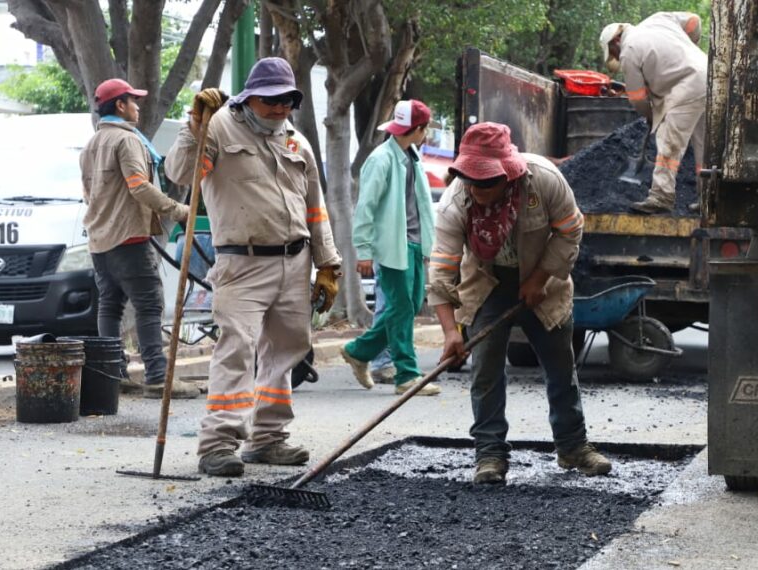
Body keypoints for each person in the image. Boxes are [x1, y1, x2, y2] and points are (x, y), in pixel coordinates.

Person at [165, 58, 342, 477]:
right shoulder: (218, 126)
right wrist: (194, 126)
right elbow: (180, 174)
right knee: (237, 350)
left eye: (288, 101)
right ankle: (218, 445)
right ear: (249, 98)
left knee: (283, 352)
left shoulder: (297, 141)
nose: (281, 109)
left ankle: (268, 440)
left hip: (294, 262)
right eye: (272, 101)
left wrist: (328, 264)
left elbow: (315, 209)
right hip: (241, 264)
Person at [428, 122, 612, 484]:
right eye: (471, 180)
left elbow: (570, 229)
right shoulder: (455, 203)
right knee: (485, 372)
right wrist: (451, 332)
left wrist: (540, 278)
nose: (477, 189)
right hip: (486, 284)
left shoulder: (543, 180)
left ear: (508, 174)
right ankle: (490, 454)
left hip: (544, 278)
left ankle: (573, 446)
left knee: (560, 367)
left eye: (486, 182)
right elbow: (442, 271)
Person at [78, 78, 198, 400]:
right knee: (148, 305)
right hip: (129, 239)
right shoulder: (127, 141)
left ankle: (113, 375)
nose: (138, 107)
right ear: (120, 105)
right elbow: (139, 187)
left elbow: (89, 195)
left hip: (100, 241)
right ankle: (158, 376)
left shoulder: (91, 145)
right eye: (134, 101)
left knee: (110, 307)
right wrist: (180, 210)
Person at [339, 99, 440, 396]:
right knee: (401, 309)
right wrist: (365, 251)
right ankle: (407, 375)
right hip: (394, 245)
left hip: (414, 244)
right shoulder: (382, 159)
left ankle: (358, 351)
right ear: (418, 129)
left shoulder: (411, 155)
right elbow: (365, 208)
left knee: (403, 308)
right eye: (425, 129)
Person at [600, 12, 707, 214]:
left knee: (669, 139)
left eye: (612, 52)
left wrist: (650, 115)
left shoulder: (629, 51)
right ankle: (709, 198)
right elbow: (694, 21)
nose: (615, 56)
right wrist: (690, 50)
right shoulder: (658, 19)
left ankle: (661, 196)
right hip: (708, 74)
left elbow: (638, 99)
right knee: (705, 145)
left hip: (688, 86)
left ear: (615, 40)